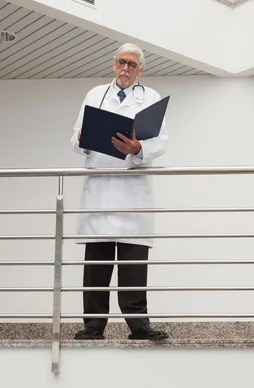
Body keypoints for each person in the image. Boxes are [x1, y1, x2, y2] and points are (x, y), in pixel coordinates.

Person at [70, 43, 169, 340]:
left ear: (141, 69)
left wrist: (138, 147)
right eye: (121, 62)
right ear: (114, 63)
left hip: (131, 191)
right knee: (97, 263)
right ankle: (93, 324)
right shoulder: (95, 95)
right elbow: (74, 139)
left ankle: (139, 324)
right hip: (99, 190)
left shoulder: (150, 98)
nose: (125, 69)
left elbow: (161, 141)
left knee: (133, 262)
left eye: (131, 64)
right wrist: (83, 138)